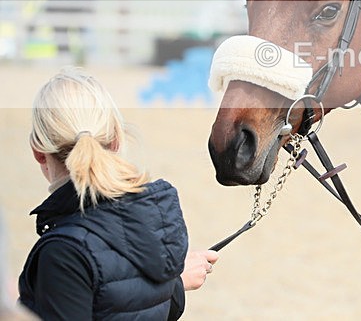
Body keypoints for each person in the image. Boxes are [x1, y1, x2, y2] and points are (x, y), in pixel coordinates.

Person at [17, 67, 218, 320]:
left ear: (38, 151)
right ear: (115, 141)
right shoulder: (152, 224)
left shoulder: (62, 253)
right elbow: (142, 305)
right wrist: (174, 284)